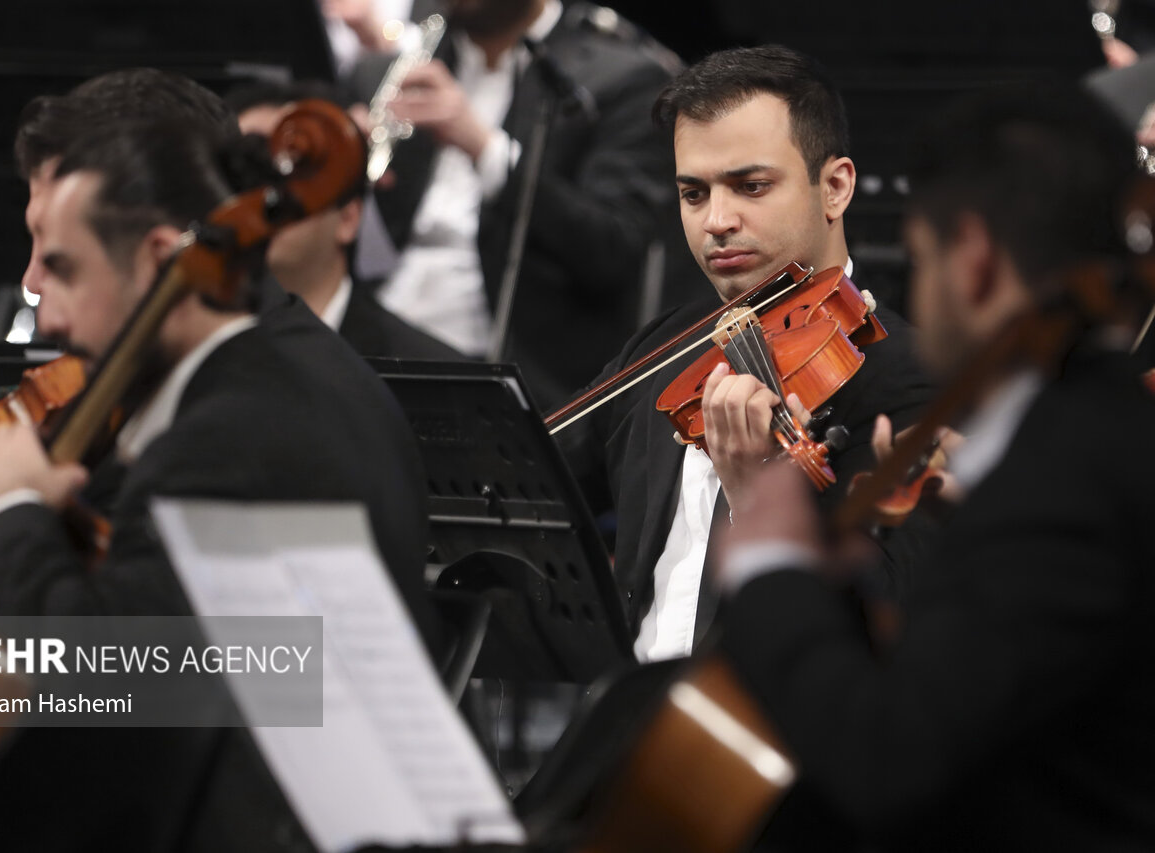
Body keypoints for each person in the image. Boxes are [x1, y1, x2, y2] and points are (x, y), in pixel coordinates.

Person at [712, 84, 1153, 850]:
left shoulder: (1062, 479)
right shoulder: (1094, 435)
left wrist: (771, 568)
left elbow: (889, 760)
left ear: (976, 264)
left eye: (920, 258)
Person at [10, 69, 441, 645]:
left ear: (159, 255)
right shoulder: (278, 359)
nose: (39, 299)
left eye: (64, 263)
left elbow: (115, 700)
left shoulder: (230, 434)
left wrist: (10, 521)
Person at [556, 45, 933, 663]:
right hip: (629, 719)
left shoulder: (909, 377)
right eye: (694, 193)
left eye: (750, 186)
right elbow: (549, 490)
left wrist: (758, 492)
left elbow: (890, 630)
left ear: (835, 187)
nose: (717, 221)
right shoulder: (660, 352)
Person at [346, 0, 685, 406]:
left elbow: (612, 248)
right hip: (373, 331)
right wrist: (342, 170)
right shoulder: (384, 71)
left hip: (512, 367)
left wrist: (486, 150)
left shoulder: (624, 79)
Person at [229, 80, 463, 360]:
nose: (260, 196)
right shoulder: (183, 346)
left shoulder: (428, 368)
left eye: (293, 167)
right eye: (243, 170)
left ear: (348, 218)